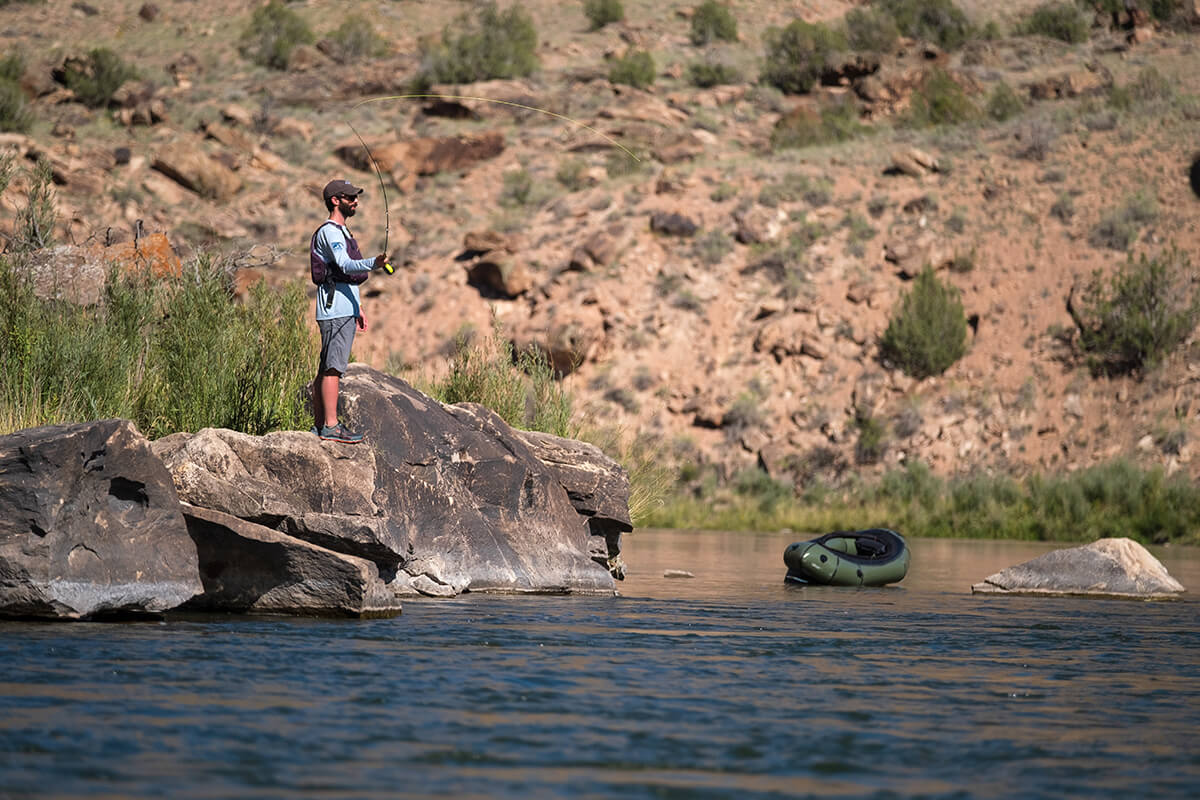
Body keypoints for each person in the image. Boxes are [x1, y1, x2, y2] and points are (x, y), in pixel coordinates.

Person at [310, 179, 387, 444]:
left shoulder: (342, 232)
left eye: (356, 197)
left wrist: (359, 308)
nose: (355, 201)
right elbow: (345, 264)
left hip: (343, 308)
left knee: (327, 368)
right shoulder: (331, 232)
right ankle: (330, 427)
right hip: (334, 310)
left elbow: (346, 276)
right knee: (333, 369)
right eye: (350, 197)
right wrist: (374, 263)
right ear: (335, 200)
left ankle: (320, 425)